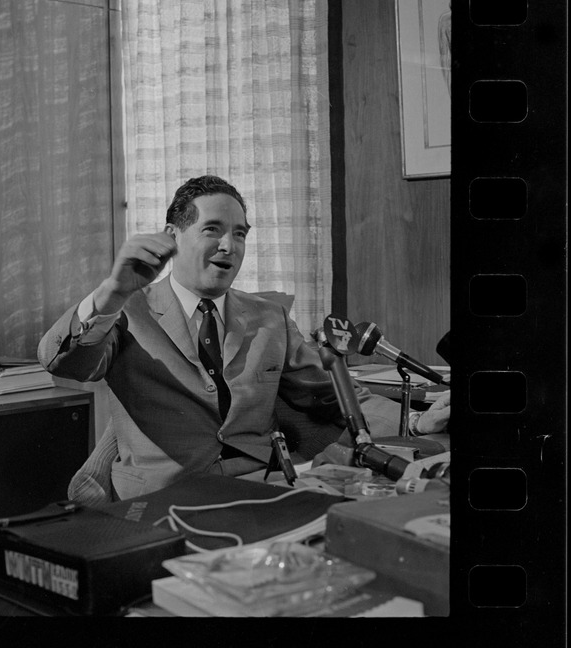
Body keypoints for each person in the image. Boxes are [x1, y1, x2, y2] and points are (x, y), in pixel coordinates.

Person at [38, 175, 450, 501]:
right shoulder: (127, 309)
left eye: (240, 234)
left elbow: (333, 395)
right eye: (212, 229)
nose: (228, 246)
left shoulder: (268, 317)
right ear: (172, 236)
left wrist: (415, 420)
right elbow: (65, 363)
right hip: (162, 495)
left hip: (262, 485)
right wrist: (112, 290)